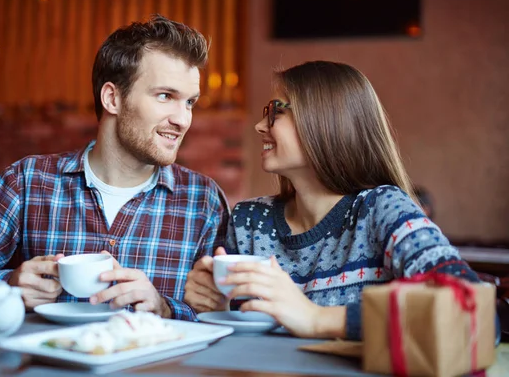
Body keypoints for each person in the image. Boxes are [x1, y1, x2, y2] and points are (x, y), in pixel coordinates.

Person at [0, 15, 229, 321]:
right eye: (165, 96)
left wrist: (166, 309)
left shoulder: (204, 201)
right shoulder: (28, 181)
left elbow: (227, 312)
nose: (183, 119)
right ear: (112, 98)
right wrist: (5, 286)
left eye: (189, 102)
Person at [183, 60, 482, 340]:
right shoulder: (249, 220)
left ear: (324, 121)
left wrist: (316, 318)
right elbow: (240, 338)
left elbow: (471, 308)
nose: (261, 126)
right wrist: (216, 306)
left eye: (276, 111)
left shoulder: (381, 210)